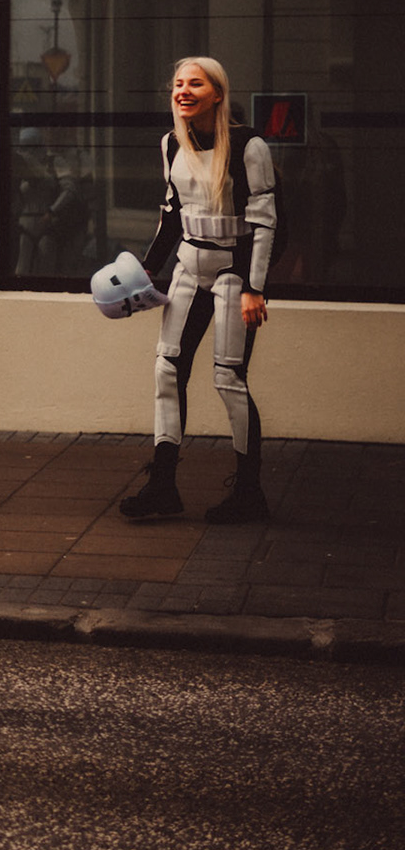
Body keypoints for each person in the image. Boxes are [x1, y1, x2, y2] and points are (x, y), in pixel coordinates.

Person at [119, 57, 276, 524]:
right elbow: (171, 217)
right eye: (178, 84)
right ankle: (162, 485)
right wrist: (147, 271)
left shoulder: (249, 146)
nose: (183, 91)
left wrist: (254, 288)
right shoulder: (172, 144)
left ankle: (250, 492)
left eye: (195, 84)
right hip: (189, 267)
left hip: (232, 271)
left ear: (218, 93)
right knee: (167, 370)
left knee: (228, 378)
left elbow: (266, 223)